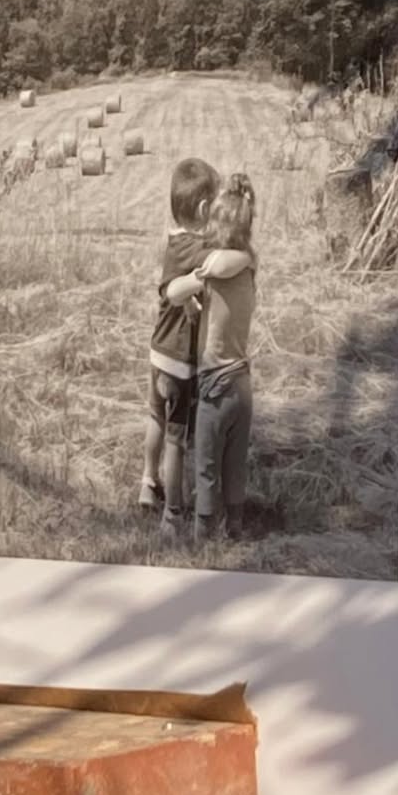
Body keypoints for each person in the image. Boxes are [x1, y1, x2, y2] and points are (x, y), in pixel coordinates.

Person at [141, 158, 250, 540]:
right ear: (205, 210)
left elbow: (171, 289)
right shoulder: (199, 249)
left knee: (155, 418)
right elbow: (223, 263)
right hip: (180, 362)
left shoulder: (175, 243)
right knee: (177, 440)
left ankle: (147, 482)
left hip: (158, 352)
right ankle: (172, 515)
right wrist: (247, 257)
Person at [167, 174, 257, 543]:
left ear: (215, 227)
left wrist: (195, 276)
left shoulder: (213, 274)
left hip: (215, 387)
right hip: (243, 385)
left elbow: (173, 292)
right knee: (235, 465)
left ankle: (203, 536)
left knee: (205, 466)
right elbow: (234, 259)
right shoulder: (249, 267)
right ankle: (235, 526)